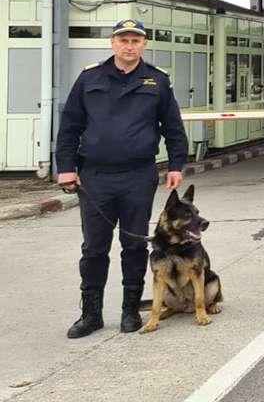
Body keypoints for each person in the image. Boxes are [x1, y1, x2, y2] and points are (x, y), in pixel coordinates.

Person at [55, 19, 188, 338]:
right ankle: (91, 314)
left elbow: (172, 127)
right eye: (123, 40)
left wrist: (175, 165)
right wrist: (66, 167)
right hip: (95, 177)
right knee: (94, 248)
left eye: (135, 40)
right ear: (113, 43)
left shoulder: (157, 81)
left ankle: (130, 311)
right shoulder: (90, 78)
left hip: (138, 176)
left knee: (133, 245)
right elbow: (70, 126)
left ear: (144, 45)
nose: (129, 46)